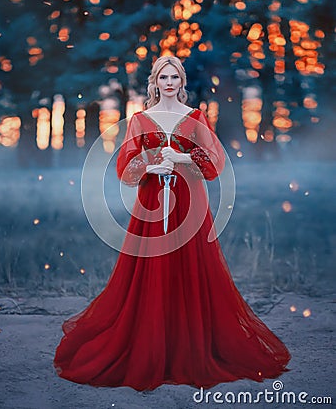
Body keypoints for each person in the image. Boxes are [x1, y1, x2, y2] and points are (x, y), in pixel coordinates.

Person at [53, 56, 291, 391]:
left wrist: (183, 158)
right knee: (153, 269)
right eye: (163, 77)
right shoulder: (140, 119)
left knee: (190, 269)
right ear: (155, 81)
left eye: (174, 77)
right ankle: (150, 346)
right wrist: (149, 168)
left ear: (181, 82)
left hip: (190, 203)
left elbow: (215, 163)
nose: (168, 82)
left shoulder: (194, 119)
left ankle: (188, 347)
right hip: (151, 202)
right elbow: (125, 167)